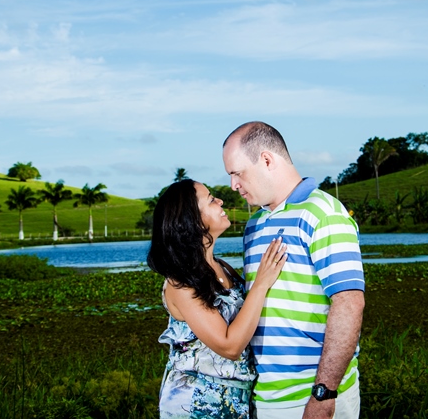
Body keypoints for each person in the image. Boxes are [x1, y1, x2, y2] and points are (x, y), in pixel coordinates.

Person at [222, 122, 365, 419]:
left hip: (312, 396)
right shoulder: (254, 226)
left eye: (237, 172)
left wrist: (324, 393)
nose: (233, 185)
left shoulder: (323, 213)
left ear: (266, 160)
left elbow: (349, 303)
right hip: (263, 398)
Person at [147, 178, 288, 419]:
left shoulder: (221, 267)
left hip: (235, 400)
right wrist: (262, 283)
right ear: (192, 220)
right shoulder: (180, 282)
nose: (221, 200)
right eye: (211, 199)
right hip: (195, 403)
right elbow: (229, 346)